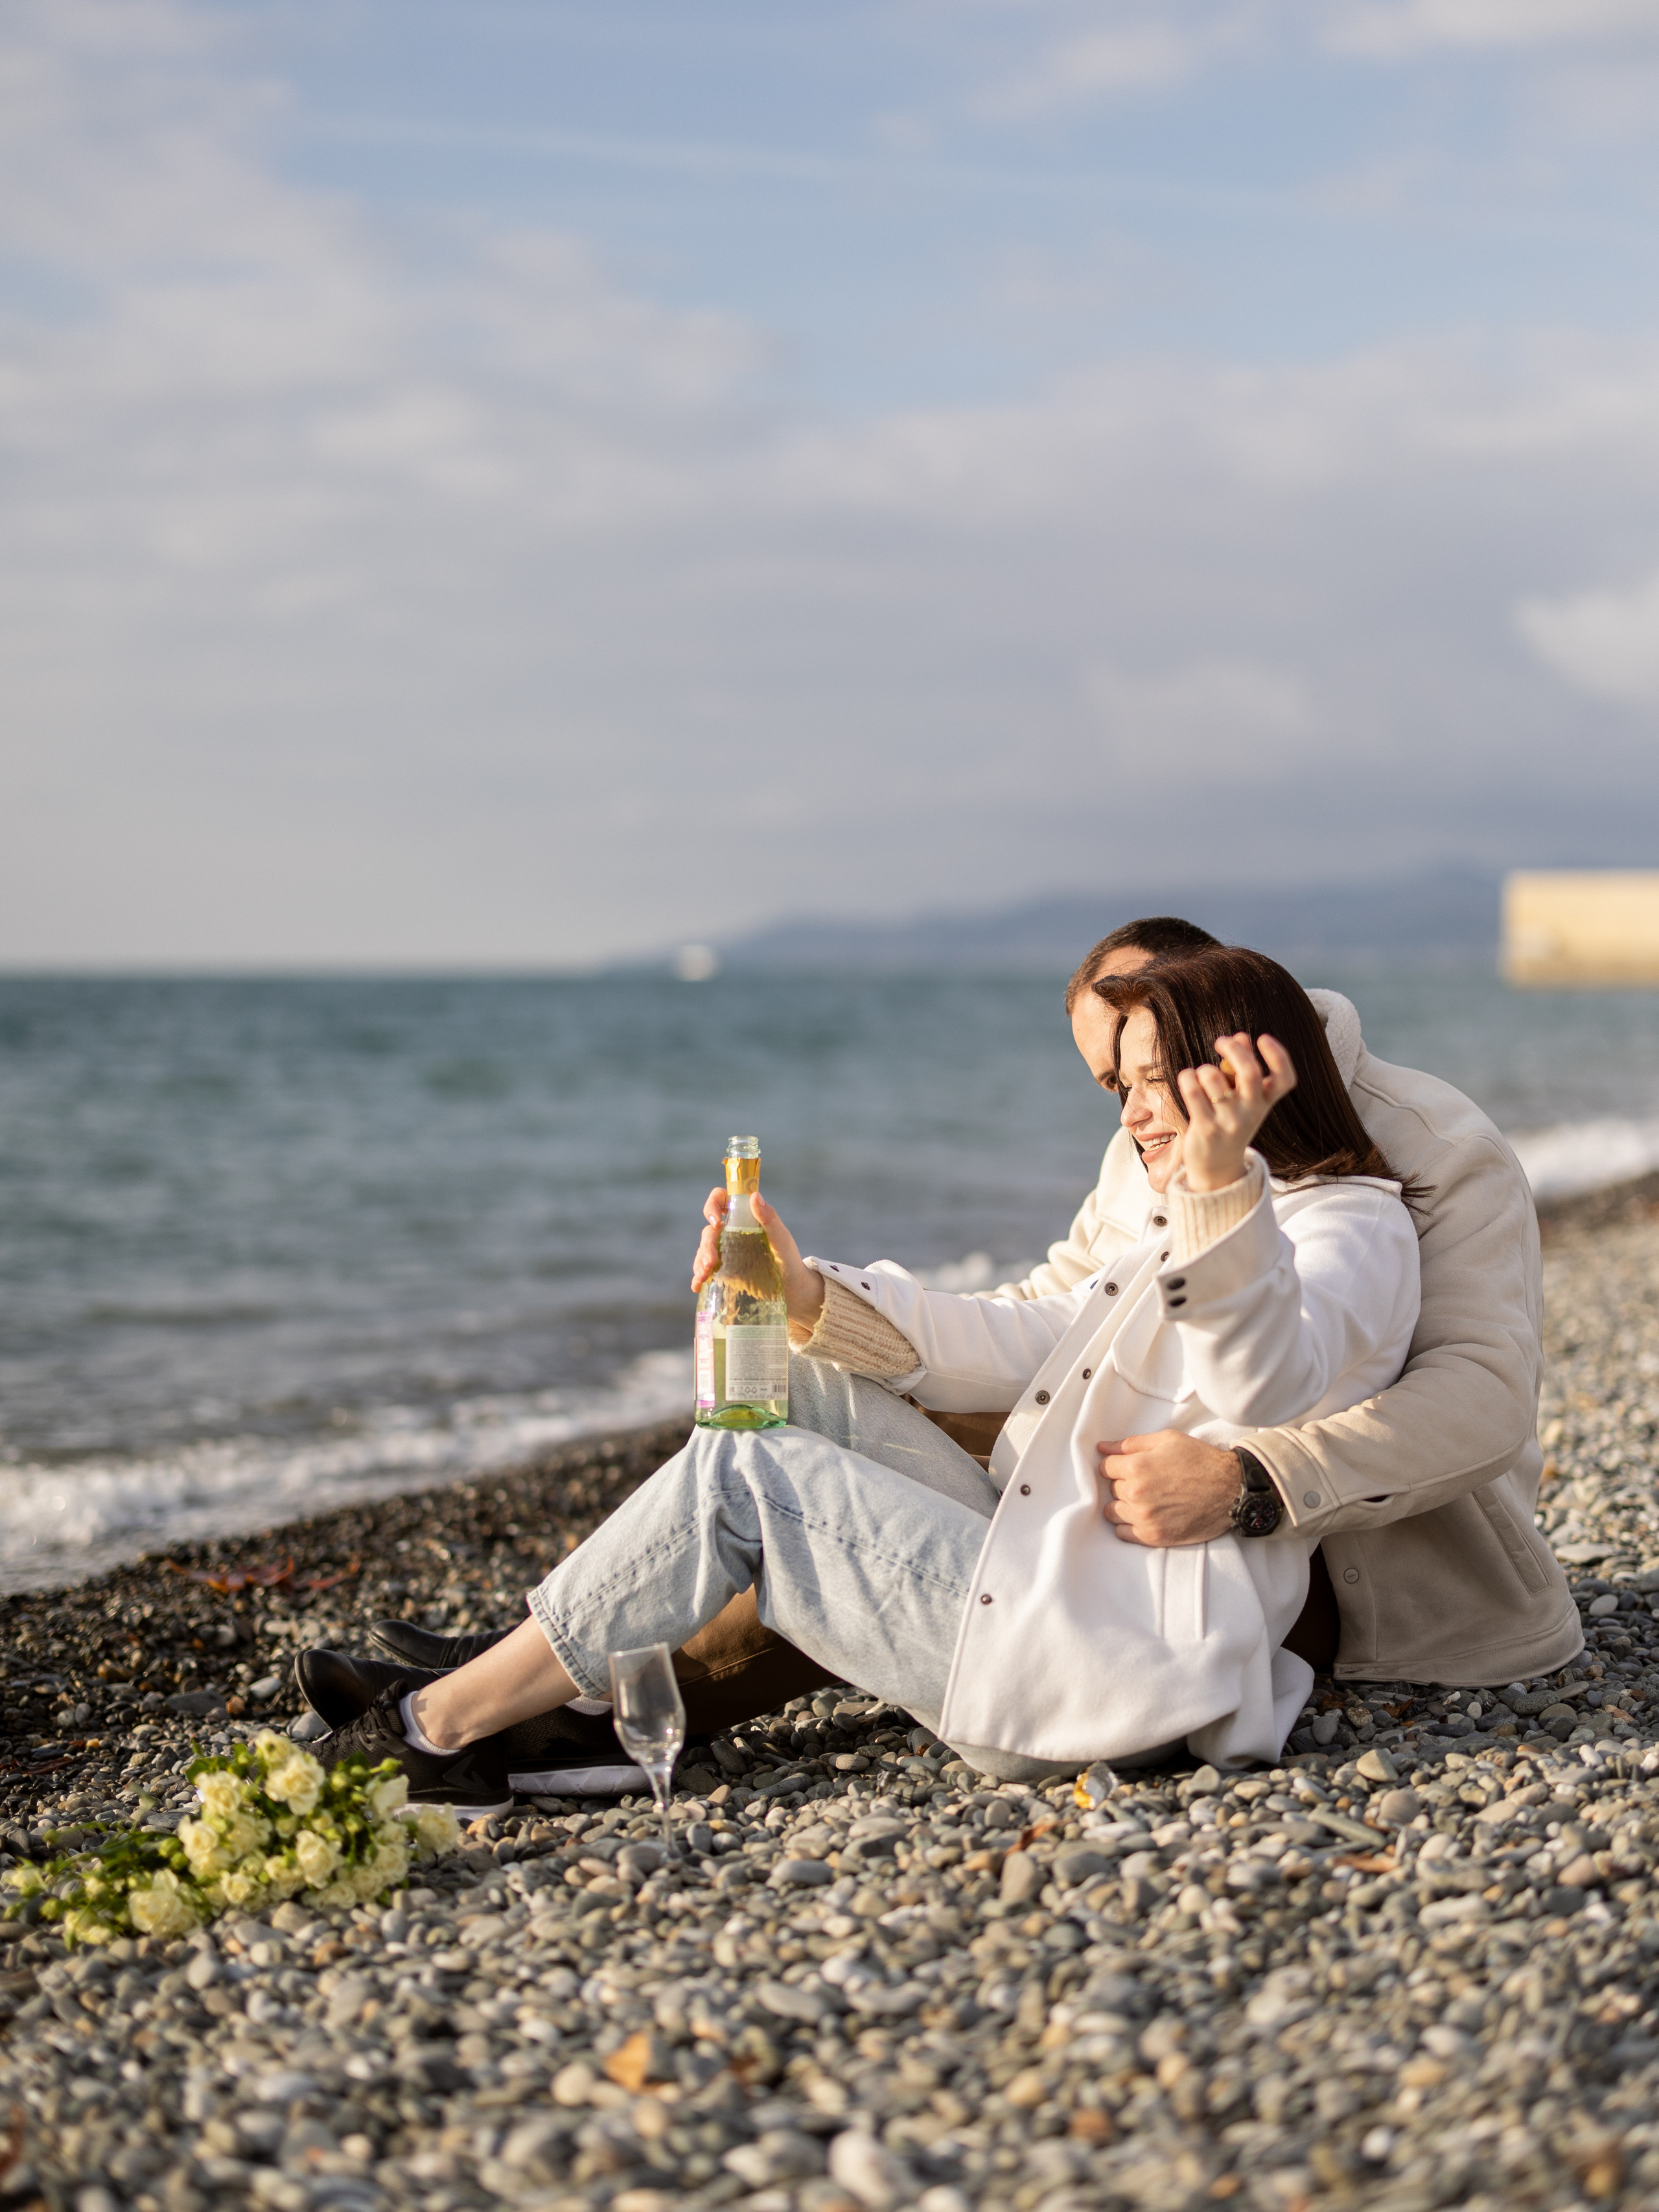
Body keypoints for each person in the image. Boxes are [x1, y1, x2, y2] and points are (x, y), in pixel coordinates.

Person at [310, 947, 1424, 1810]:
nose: (1129, 1113)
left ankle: (438, 1729)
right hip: (1056, 1578)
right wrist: (806, 1294)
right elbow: (1027, 1337)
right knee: (785, 1392)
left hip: (1102, 1667)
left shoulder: (1349, 1230)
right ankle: (574, 1677)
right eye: (1120, 1086)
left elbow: (1269, 1389)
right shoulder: (1201, 1212)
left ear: (1243, 1078)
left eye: (1148, 1082)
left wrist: (1223, 1189)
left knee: (749, 1479)